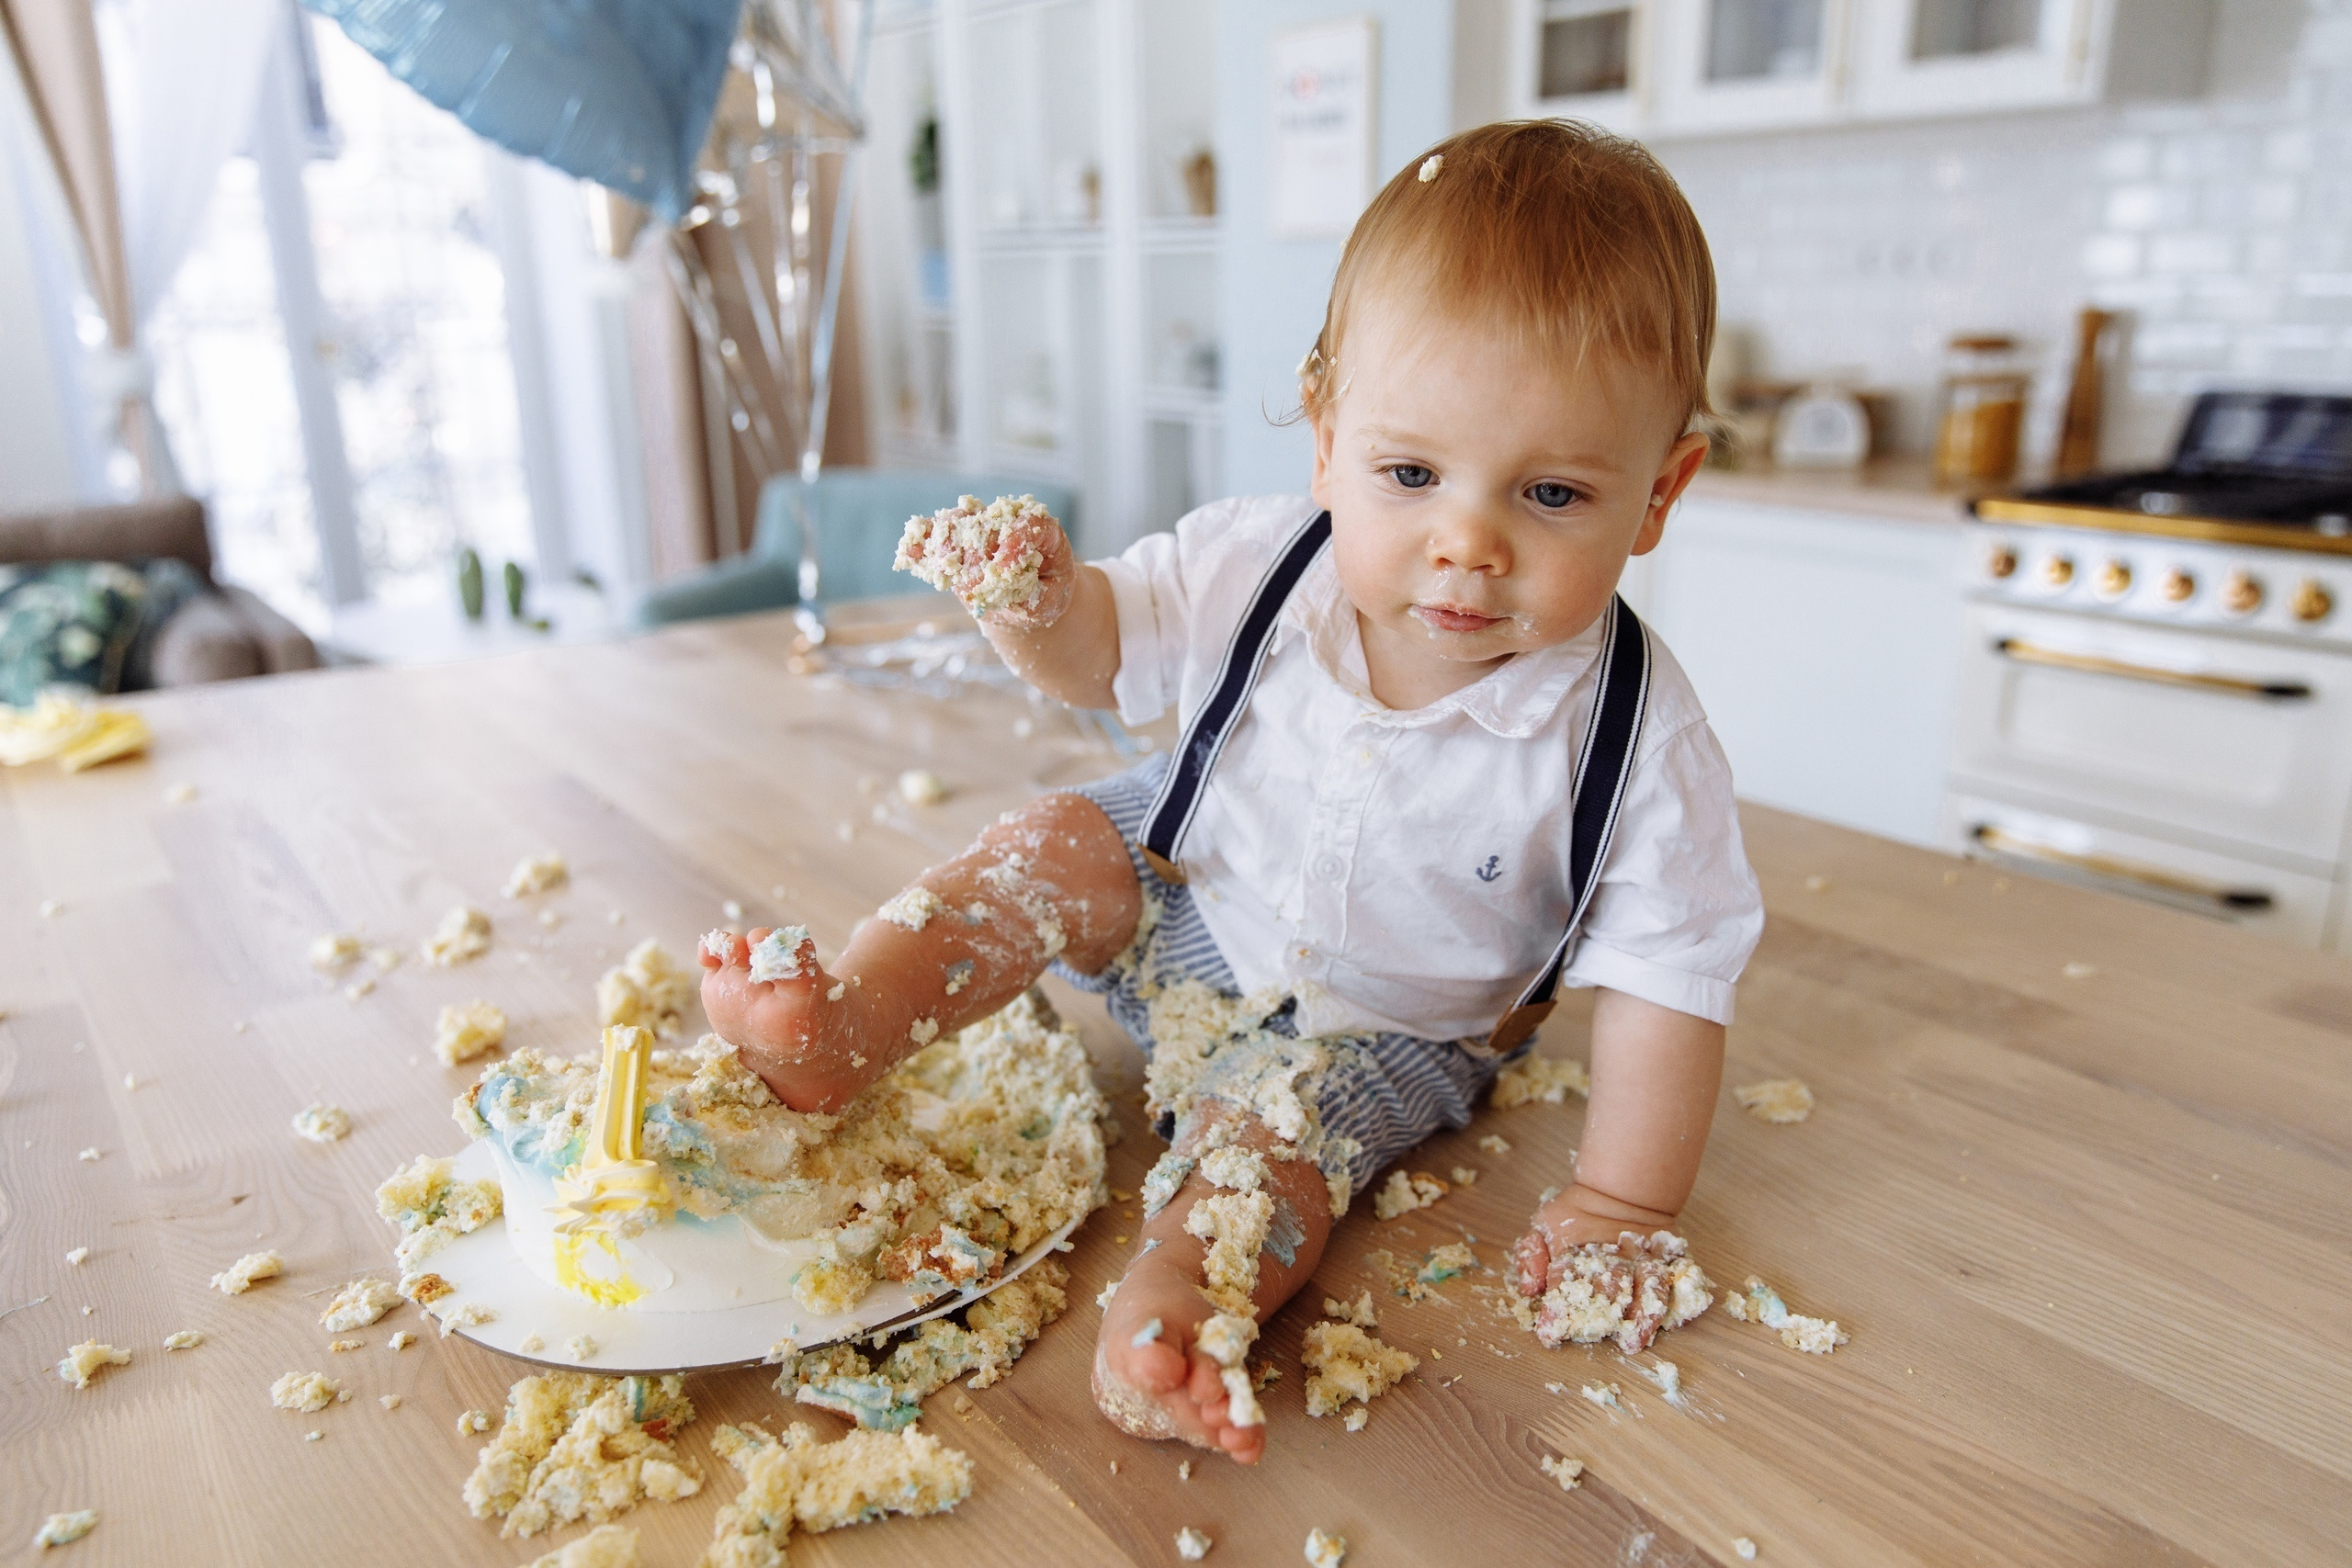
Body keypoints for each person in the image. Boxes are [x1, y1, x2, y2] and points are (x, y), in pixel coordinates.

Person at [701, 119, 1763, 1466]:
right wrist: (1037, 607)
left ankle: (1172, 1320)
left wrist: (1621, 1200)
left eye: (1552, 493)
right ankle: (850, 1018)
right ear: (1327, 438)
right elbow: (1101, 653)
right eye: (1411, 474)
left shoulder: (1639, 737)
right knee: (1050, 846)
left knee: (1267, 1166)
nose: (1468, 543)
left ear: (1659, 496)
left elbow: (1674, 977)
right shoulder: (1258, 562)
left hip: (1381, 1029)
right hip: (1185, 885)